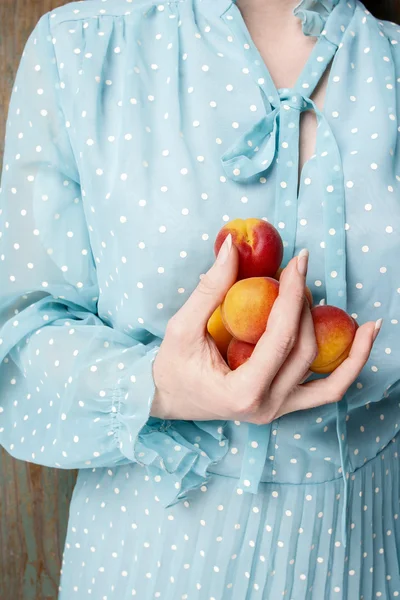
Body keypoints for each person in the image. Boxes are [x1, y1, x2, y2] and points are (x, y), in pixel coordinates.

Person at [0, 0, 399, 597]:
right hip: (150, 560)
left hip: (365, 554)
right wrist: (156, 385)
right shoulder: (83, 47)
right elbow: (22, 328)